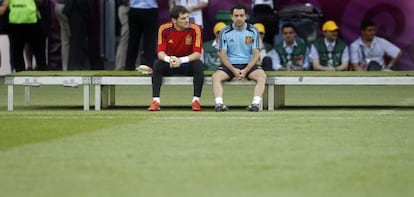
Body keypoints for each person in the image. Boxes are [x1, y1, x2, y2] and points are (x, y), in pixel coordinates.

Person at [148, 5, 204, 111]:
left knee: (198, 64)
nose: (187, 20)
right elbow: (160, 52)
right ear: (174, 20)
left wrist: (181, 60)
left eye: (187, 17)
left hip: (187, 64)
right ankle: (156, 101)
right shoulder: (164, 29)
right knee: (157, 64)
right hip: (170, 64)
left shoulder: (195, 29)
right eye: (183, 18)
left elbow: (197, 54)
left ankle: (196, 101)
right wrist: (170, 59)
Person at [212, 5, 267, 112]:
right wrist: (233, 70)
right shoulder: (225, 32)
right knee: (215, 77)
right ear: (231, 17)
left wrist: (246, 70)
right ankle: (219, 104)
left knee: (262, 75)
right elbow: (222, 55)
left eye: (241, 15)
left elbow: (256, 54)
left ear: (245, 16)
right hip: (230, 64)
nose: (239, 18)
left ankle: (255, 104)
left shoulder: (253, 31)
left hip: (248, 64)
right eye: (236, 15)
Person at [0, 0, 47, 72]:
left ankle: (19, 77)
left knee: (17, 54)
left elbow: (3, 9)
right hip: (32, 21)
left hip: (15, 22)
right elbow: (40, 1)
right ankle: (43, 77)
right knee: (39, 54)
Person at [125, 0, 159, 70]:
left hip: (135, 9)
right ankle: (149, 66)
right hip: (150, 9)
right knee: (149, 41)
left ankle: (129, 66)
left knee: (133, 40)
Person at [114, 0, 129, 70]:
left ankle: (135, 64)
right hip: (126, 7)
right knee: (125, 38)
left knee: (135, 39)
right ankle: (119, 66)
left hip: (130, 7)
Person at [55, 0, 70, 71]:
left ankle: (65, 69)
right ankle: (74, 68)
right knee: (75, 40)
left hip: (59, 5)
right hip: (68, 7)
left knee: (65, 41)